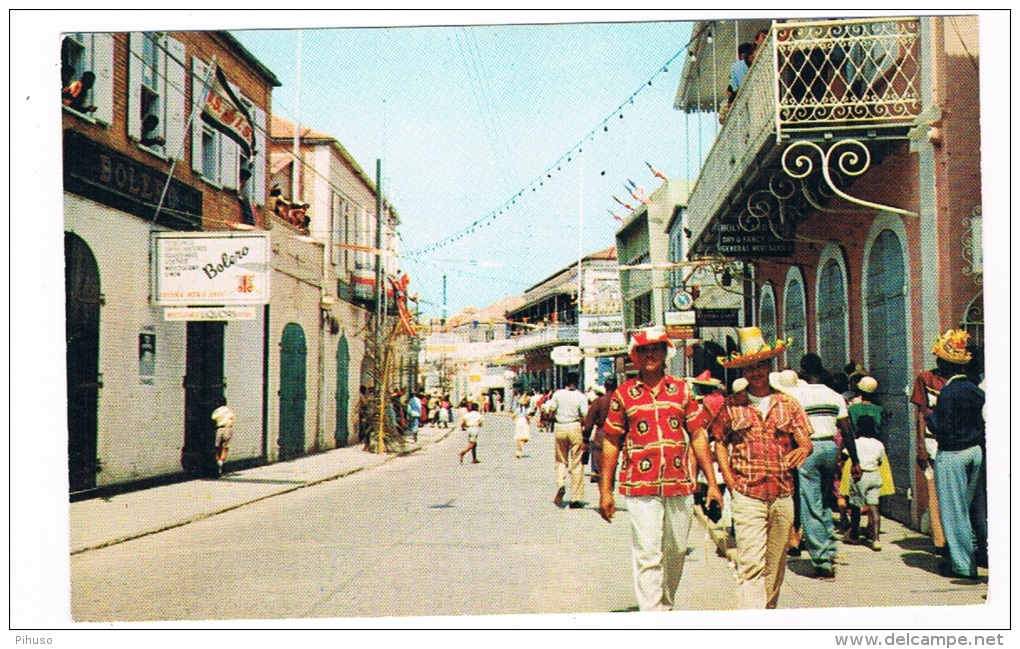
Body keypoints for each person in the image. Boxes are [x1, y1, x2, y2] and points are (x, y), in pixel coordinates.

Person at [599, 327, 722, 611]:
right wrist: (605, 491)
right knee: (648, 554)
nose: (650, 354)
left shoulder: (682, 390)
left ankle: (665, 606)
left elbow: (699, 435)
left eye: (656, 348)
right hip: (640, 486)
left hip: (680, 484)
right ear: (635, 356)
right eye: (643, 350)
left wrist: (712, 484)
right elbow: (611, 442)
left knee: (676, 550)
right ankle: (652, 617)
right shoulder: (623, 395)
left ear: (666, 353)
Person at [711, 327, 813, 609]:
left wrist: (803, 449)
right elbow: (719, 442)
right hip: (747, 494)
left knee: (776, 564)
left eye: (760, 365)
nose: (755, 371)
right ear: (743, 371)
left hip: (782, 494)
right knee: (751, 564)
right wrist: (729, 480)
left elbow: (805, 440)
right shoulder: (731, 405)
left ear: (770, 367)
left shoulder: (788, 403)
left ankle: (767, 617)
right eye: (749, 367)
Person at [771, 365, 861, 580]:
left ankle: (821, 561)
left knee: (810, 504)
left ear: (804, 377)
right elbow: (847, 429)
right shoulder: (835, 396)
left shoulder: (796, 395)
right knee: (825, 500)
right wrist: (855, 460)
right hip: (830, 448)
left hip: (807, 448)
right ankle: (829, 549)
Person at [925, 330, 986, 580]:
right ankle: (975, 555)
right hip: (975, 451)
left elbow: (940, 426)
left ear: (943, 365)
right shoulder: (975, 390)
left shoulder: (948, 393)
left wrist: (930, 417)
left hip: (952, 454)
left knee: (954, 512)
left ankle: (963, 565)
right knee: (973, 508)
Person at [911, 348, 949, 555]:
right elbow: (920, 414)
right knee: (934, 492)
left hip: (955, 443)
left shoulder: (963, 381)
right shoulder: (926, 378)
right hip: (932, 442)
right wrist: (920, 446)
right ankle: (940, 541)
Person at [545, 372, 589, 509]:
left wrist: (552, 420)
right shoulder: (581, 396)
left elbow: (550, 411)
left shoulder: (557, 394)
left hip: (560, 427)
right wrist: (585, 434)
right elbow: (584, 415)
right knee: (577, 463)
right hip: (575, 426)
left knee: (560, 460)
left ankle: (561, 484)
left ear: (565, 381)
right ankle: (576, 498)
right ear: (577, 381)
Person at [583, 378, 616, 484]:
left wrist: (585, 438)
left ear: (605, 387)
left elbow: (589, 421)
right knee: (612, 463)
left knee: (600, 464)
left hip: (601, 433)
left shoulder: (599, 401)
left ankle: (604, 490)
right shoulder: (620, 401)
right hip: (616, 434)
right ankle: (610, 486)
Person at [211, 398, 236, 476]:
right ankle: (221, 462)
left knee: (216, 447)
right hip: (228, 428)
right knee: (225, 447)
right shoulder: (229, 410)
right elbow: (233, 418)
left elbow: (213, 418)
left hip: (220, 428)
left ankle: (218, 463)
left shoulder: (217, 410)